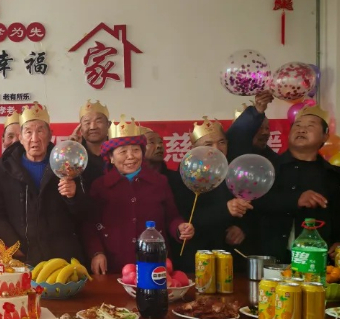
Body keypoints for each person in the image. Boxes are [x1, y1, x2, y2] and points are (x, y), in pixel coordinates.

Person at [85, 116, 193, 275]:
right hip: (114, 265)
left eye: (136, 150)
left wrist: (180, 228)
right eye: (123, 151)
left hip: (154, 264)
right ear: (111, 158)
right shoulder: (100, 186)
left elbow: (172, 217)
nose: (131, 156)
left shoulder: (159, 181)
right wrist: (96, 252)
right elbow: (89, 225)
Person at [0, 103, 87, 265]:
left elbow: (83, 215)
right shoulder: (5, 172)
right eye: (28, 132)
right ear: (21, 138)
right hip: (22, 256)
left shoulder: (66, 166)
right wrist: (13, 244)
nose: (34, 138)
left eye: (40, 131)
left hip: (62, 258)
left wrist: (74, 196)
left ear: (50, 136)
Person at [253, 105, 340, 262]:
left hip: (315, 260)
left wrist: (339, 241)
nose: (301, 130)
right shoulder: (268, 167)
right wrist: (295, 199)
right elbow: (254, 202)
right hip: (272, 257)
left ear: (325, 136)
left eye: (310, 126)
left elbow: (336, 213)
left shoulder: (331, 174)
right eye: (297, 125)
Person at [166, 117, 249, 271]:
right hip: (195, 256)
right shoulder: (184, 176)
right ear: (194, 149)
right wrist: (225, 210)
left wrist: (241, 228)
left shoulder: (236, 172)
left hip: (229, 254)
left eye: (221, 142)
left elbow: (252, 211)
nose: (216, 148)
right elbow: (186, 218)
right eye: (208, 144)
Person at [227, 91, 277, 163]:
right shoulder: (231, 154)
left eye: (267, 128)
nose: (265, 132)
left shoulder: (272, 158)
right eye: (259, 128)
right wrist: (257, 111)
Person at [71, 100, 110, 187]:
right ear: (80, 128)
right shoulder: (74, 153)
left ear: (108, 125)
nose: (93, 127)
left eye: (98, 121)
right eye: (87, 123)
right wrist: (70, 149)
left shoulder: (118, 151)